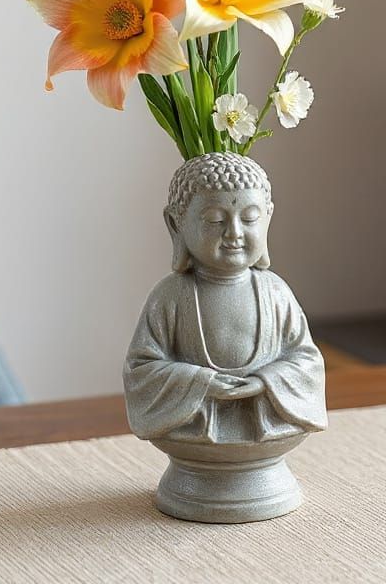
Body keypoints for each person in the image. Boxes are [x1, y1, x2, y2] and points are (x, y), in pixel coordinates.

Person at [123, 153, 327, 445]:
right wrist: (201, 383)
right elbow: (140, 369)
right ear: (176, 223)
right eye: (215, 219)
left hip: (266, 430)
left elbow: (306, 360)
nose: (234, 233)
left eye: (250, 218)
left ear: (267, 218)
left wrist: (264, 382)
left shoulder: (276, 293)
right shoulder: (170, 297)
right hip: (194, 439)